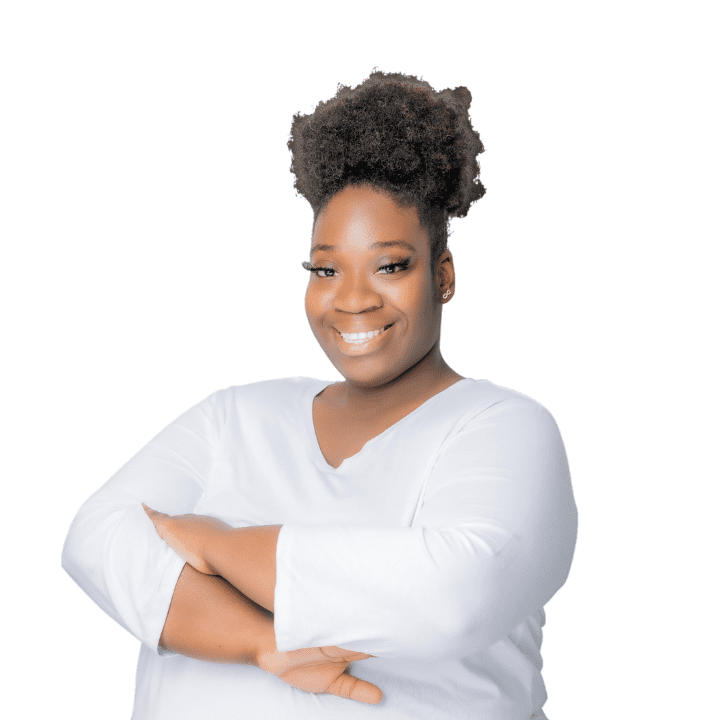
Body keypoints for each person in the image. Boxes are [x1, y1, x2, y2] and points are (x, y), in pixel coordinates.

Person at [62, 70, 577, 719]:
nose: (353, 298)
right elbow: (97, 538)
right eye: (325, 269)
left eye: (390, 265)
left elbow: (455, 593)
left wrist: (217, 544)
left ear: (442, 275)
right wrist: (262, 643)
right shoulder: (235, 418)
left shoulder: (505, 429)